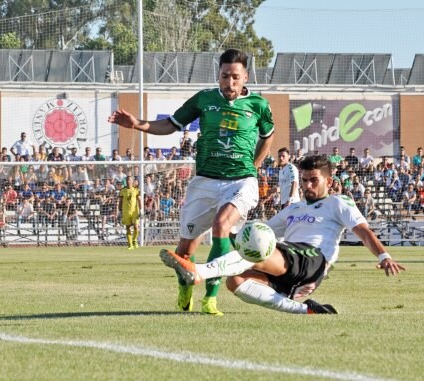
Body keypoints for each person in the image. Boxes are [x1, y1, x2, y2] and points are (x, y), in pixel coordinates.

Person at [108, 48, 275, 315]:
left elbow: (267, 137)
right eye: (224, 76)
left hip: (240, 181)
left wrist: (253, 168)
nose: (229, 83)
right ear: (218, 75)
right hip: (205, 181)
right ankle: (185, 287)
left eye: (234, 77)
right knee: (185, 249)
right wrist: (137, 124)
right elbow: (171, 125)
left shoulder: (259, 105)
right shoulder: (204, 99)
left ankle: (211, 298)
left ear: (245, 76)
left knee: (222, 226)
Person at [160, 155, 405, 314]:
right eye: (305, 180)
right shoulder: (295, 208)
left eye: (314, 180)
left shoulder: (338, 202)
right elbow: (261, 231)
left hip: (313, 259)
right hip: (294, 272)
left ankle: (198, 272)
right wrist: (225, 225)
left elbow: (362, 230)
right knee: (235, 281)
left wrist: (383, 256)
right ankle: (307, 311)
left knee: (256, 250)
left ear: (328, 181)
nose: (308, 185)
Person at [118, 176, 142, 250]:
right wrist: (119, 210)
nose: (129, 181)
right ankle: (130, 245)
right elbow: (121, 201)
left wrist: (141, 210)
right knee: (128, 227)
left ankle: (134, 240)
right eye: (128, 180)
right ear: (126, 181)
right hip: (126, 211)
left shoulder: (136, 190)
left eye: (130, 180)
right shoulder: (122, 190)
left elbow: (139, 200)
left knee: (136, 227)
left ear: (132, 181)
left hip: (135, 211)